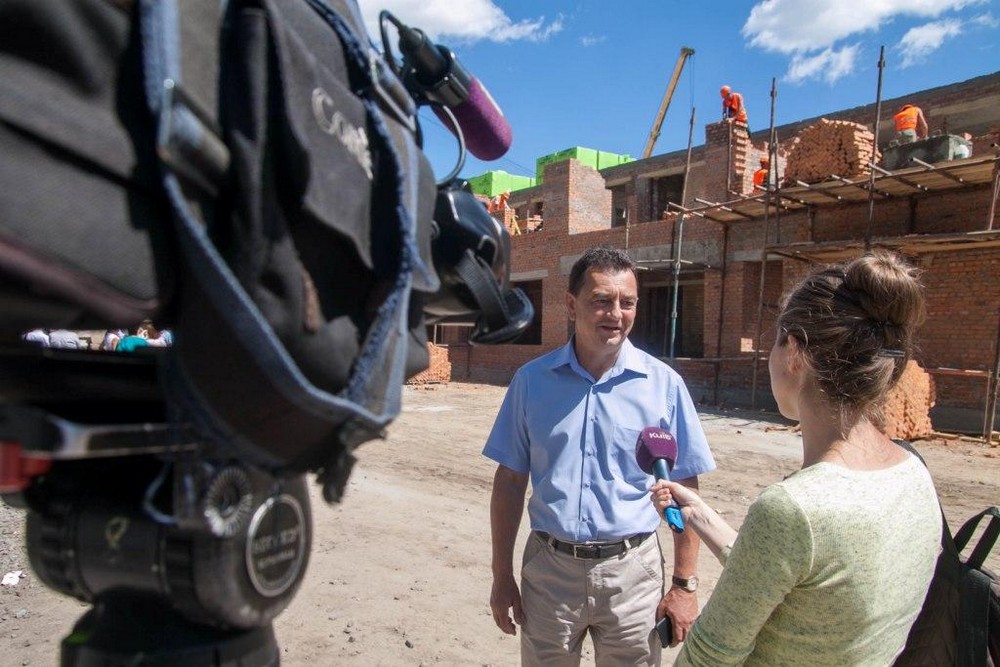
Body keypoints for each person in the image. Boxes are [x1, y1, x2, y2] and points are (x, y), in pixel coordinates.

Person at [650, 251, 941, 665]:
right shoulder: (913, 471)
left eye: (772, 343)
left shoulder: (792, 509)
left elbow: (709, 656)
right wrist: (700, 515)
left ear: (794, 353)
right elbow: (794, 574)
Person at [485, 245, 716, 665]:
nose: (616, 313)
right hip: (550, 573)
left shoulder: (663, 386)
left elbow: (685, 486)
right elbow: (510, 480)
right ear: (571, 305)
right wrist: (502, 575)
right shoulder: (531, 382)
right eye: (602, 300)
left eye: (628, 302)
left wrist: (685, 584)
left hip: (633, 575)